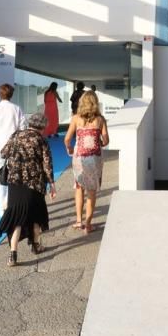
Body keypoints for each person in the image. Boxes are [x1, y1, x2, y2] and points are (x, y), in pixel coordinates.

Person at [0, 112, 56, 267]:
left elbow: (3, 152)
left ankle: (13, 254)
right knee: (36, 215)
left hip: (15, 182)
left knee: (17, 217)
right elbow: (47, 164)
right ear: (42, 126)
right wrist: (52, 183)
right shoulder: (41, 140)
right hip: (35, 183)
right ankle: (36, 245)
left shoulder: (16, 135)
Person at [64, 91, 109, 233]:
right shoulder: (101, 120)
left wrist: (69, 148)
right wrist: (98, 143)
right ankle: (88, 224)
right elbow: (106, 140)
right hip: (94, 158)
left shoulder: (76, 118)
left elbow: (66, 139)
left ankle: (79, 220)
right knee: (91, 191)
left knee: (79, 187)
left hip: (79, 157)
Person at [0, 84, 25, 216]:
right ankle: (12, 203)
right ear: (11, 95)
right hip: (14, 147)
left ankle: (2, 207)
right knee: (14, 175)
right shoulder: (17, 109)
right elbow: (23, 128)